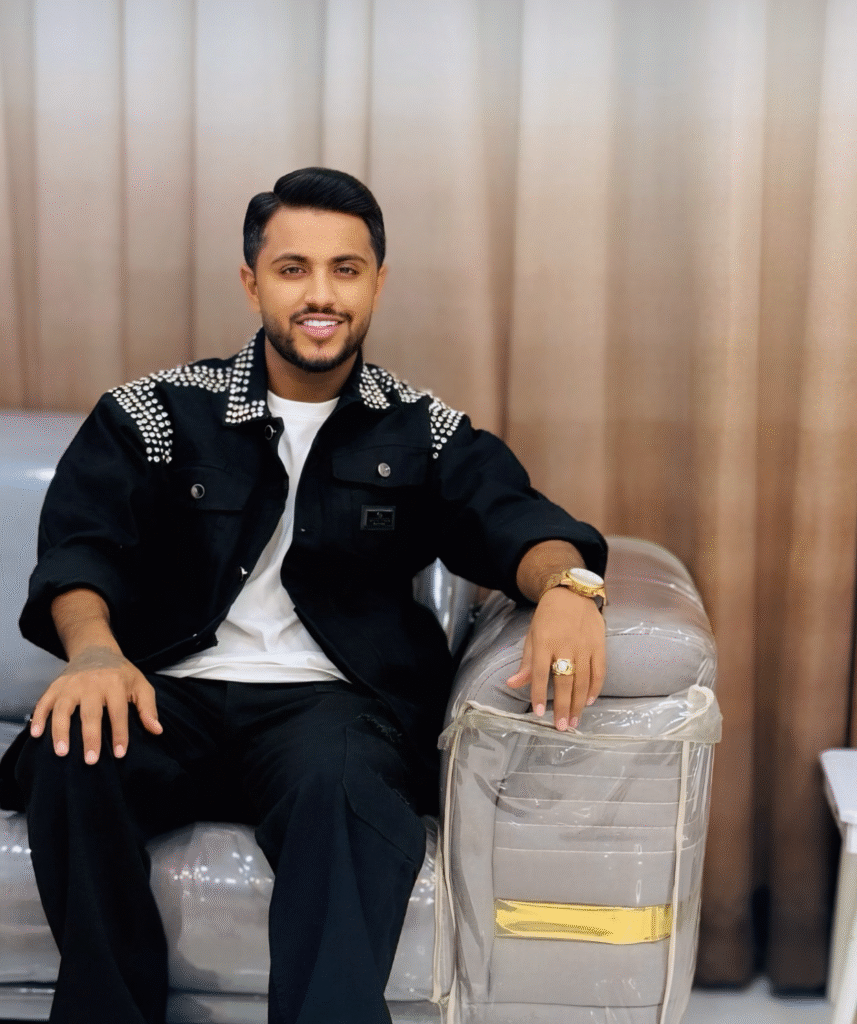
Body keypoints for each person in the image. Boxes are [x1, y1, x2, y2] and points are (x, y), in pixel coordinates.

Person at [0, 167, 608, 1024]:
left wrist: (571, 590)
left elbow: (518, 523)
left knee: (348, 788)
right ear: (252, 282)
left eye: (345, 270)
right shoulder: (157, 412)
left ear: (377, 283)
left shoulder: (420, 428)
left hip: (331, 709)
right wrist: (95, 652)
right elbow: (80, 547)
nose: (320, 294)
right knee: (73, 755)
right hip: (167, 694)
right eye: (293, 269)